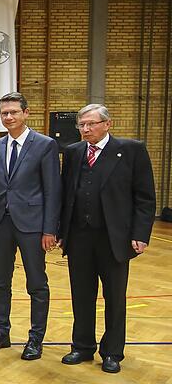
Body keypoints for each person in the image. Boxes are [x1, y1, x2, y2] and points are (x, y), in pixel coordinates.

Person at [58, 104, 156, 373]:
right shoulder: (73, 152)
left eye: (91, 124)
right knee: (81, 294)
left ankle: (112, 352)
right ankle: (82, 346)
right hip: (78, 237)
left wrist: (140, 234)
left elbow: (145, 197)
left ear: (107, 124)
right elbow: (66, 195)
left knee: (114, 297)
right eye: (82, 125)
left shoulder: (131, 150)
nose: (86, 129)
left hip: (115, 238)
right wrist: (60, 232)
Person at [0, 92, 61, 360]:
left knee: (36, 283)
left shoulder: (45, 144)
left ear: (26, 113)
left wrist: (50, 229)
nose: (9, 117)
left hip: (33, 225)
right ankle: (1, 333)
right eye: (4, 113)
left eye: (14, 111)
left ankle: (35, 339)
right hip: (2, 223)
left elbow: (53, 190)